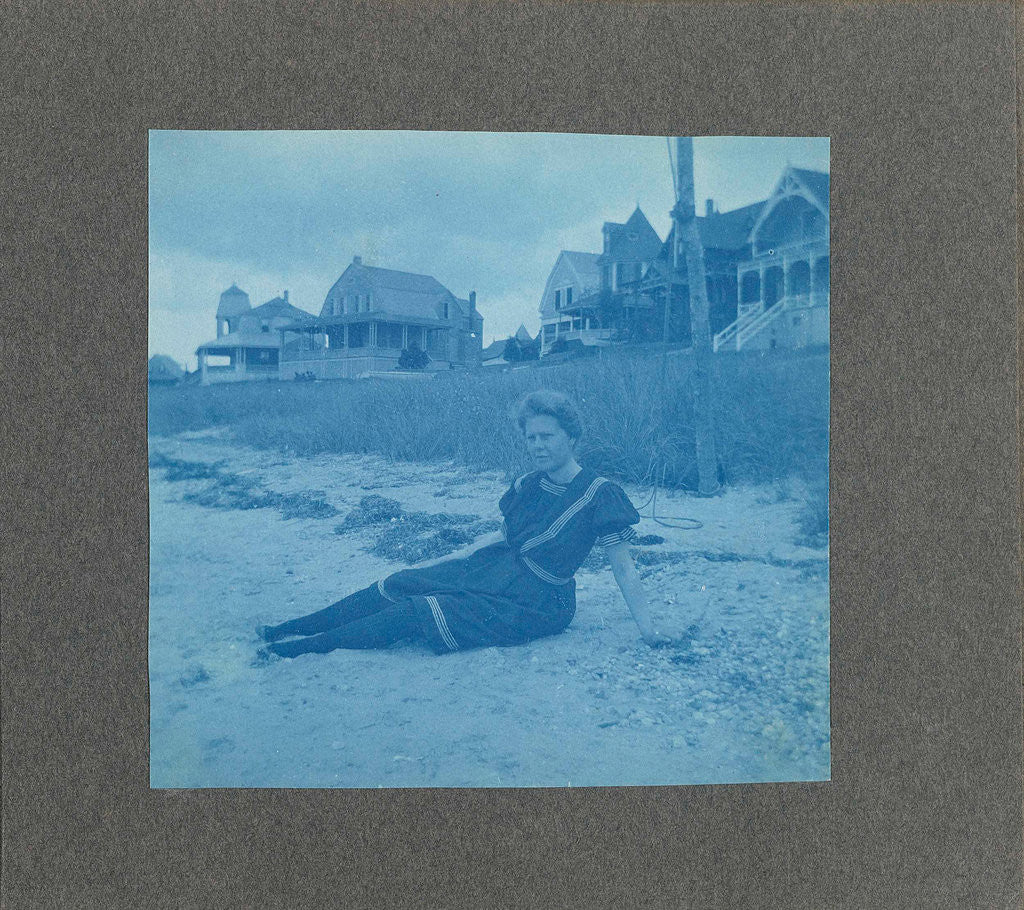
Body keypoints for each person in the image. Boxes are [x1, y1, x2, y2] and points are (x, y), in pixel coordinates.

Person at [257, 390, 675, 660]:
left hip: (540, 602)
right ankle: (288, 629)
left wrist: (649, 630)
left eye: (547, 436)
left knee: (418, 611)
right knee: (404, 580)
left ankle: (300, 650)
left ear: (571, 437)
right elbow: (502, 539)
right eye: (530, 438)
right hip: (496, 569)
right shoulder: (527, 484)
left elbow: (622, 568)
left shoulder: (601, 494)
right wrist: (451, 560)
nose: (538, 445)